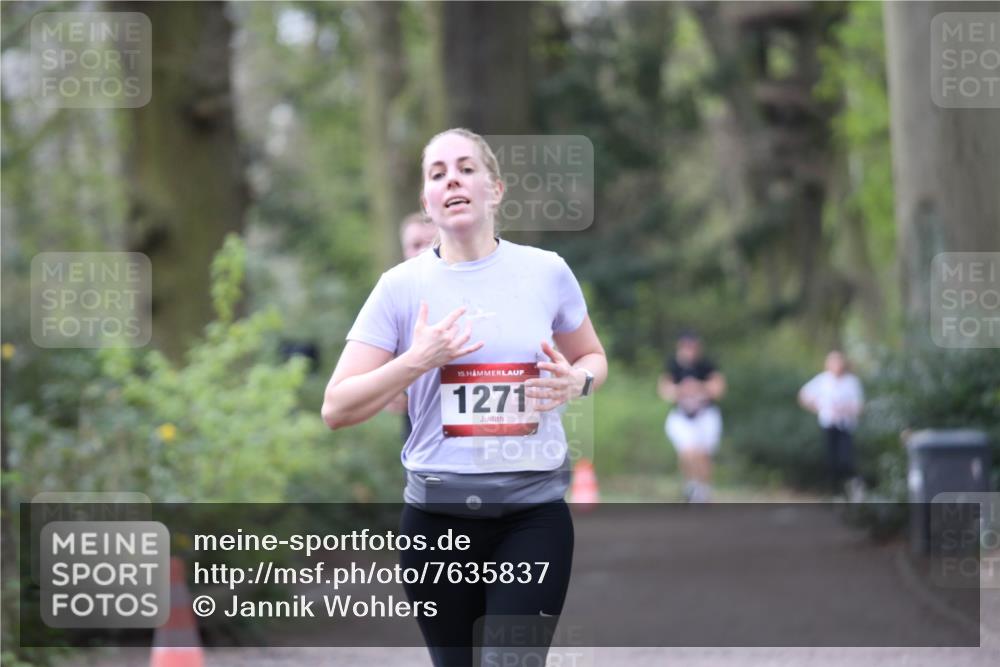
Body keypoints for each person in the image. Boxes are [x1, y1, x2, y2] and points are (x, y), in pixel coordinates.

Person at [321, 128, 607, 666]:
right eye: (438, 173)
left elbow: (592, 357)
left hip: (532, 516)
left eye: (466, 168)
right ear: (427, 202)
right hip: (437, 523)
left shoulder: (546, 271)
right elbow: (336, 407)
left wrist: (578, 382)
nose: (452, 179)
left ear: (495, 189)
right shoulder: (400, 287)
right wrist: (416, 361)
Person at [385, 213, 440, 442]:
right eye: (415, 245)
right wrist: (390, 386)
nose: (422, 251)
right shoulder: (393, 293)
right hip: (417, 412)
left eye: (430, 243)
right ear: (404, 250)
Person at [657, 332, 726, 503]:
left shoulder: (706, 366)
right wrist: (682, 389)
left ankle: (703, 490)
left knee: (703, 454)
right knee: (687, 452)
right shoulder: (673, 366)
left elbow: (719, 389)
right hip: (683, 416)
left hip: (705, 416)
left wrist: (699, 387)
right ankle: (692, 486)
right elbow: (665, 391)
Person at [798, 350, 865, 500]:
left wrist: (845, 409)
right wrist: (818, 407)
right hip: (828, 425)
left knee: (846, 460)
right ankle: (834, 493)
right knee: (831, 461)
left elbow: (859, 407)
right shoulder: (823, 380)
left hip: (845, 426)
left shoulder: (851, 382)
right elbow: (803, 395)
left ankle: (853, 490)